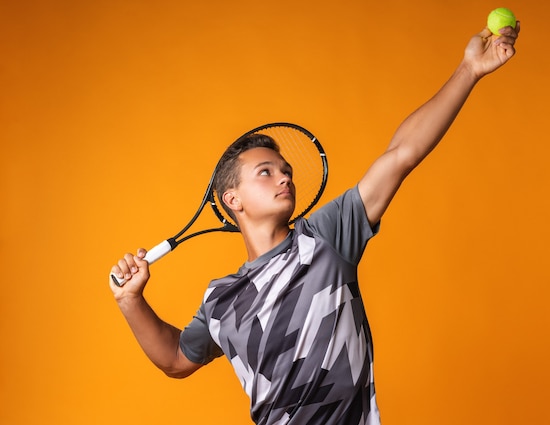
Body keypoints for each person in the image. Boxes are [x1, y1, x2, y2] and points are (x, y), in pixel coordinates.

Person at [110, 22, 520, 425]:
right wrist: (131, 301)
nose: (285, 176)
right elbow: (176, 359)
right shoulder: (222, 300)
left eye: (286, 169)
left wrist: (469, 70)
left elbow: (401, 155)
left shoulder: (324, 239)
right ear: (231, 200)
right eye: (266, 172)